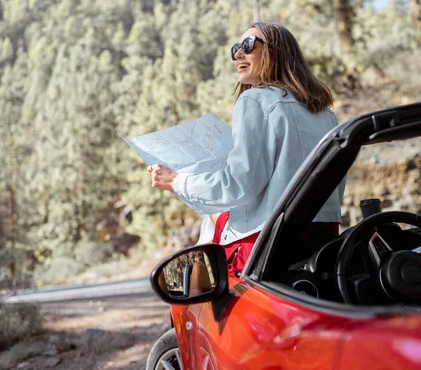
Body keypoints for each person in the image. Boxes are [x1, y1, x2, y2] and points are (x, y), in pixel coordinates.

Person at [148, 22, 345, 275]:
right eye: (236, 49)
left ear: (277, 51)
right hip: (324, 239)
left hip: (269, 246)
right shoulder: (325, 114)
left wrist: (177, 181)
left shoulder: (255, 99)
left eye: (248, 45)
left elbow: (239, 185)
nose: (238, 55)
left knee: (208, 228)